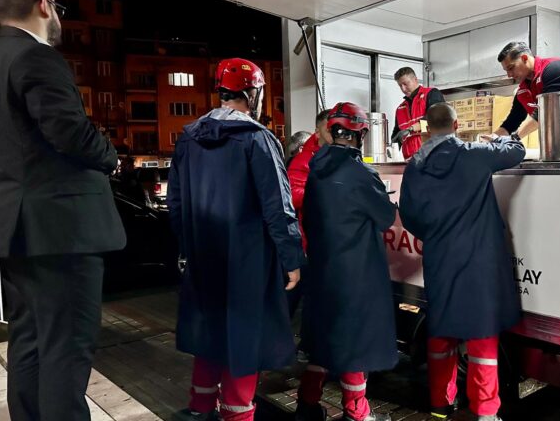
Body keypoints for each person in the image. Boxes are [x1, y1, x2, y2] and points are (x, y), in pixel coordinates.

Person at [0, 0, 126, 420]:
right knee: (66, 347)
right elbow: (69, 131)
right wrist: (110, 157)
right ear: (44, 4)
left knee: (30, 341)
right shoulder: (37, 57)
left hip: (17, 226)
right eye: (58, 6)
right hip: (61, 228)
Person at [167, 58, 304, 421]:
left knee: (209, 335)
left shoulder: (188, 138)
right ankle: (238, 414)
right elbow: (279, 207)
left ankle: (199, 408)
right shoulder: (258, 140)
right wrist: (291, 259)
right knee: (244, 338)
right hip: (248, 262)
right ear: (253, 93)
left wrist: (189, 247)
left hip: (202, 257)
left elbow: (176, 204)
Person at [398, 103, 525, 421]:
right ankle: (485, 411)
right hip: (479, 259)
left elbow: (409, 215)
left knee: (441, 333)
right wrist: (496, 140)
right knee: (481, 336)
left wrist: (436, 233)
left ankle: (440, 406)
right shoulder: (474, 154)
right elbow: (516, 151)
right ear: (456, 126)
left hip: (441, 258)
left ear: (427, 129)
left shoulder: (416, 165)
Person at [295, 102, 397, 421]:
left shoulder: (315, 169)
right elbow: (385, 217)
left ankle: (307, 403)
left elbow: (309, 218)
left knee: (323, 338)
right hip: (356, 272)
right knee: (354, 340)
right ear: (361, 134)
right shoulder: (361, 173)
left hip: (323, 267)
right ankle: (356, 410)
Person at [285, 110, 332, 317]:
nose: (333, 132)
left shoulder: (335, 152)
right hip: (309, 241)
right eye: (328, 128)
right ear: (318, 130)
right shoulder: (305, 158)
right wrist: (323, 193)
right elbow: (292, 195)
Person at [492, 41, 560, 141]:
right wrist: (493, 138)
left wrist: (515, 138)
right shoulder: (523, 90)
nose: (509, 75)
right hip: (556, 143)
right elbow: (512, 121)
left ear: (524, 58)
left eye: (511, 68)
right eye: (506, 71)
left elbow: (546, 111)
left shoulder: (555, 68)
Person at [391, 67, 445, 160]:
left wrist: (411, 129)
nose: (403, 89)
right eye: (400, 85)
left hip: (433, 157)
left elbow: (435, 119)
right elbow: (397, 135)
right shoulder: (400, 109)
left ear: (415, 79)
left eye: (406, 84)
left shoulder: (431, 94)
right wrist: (392, 148)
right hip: (410, 161)